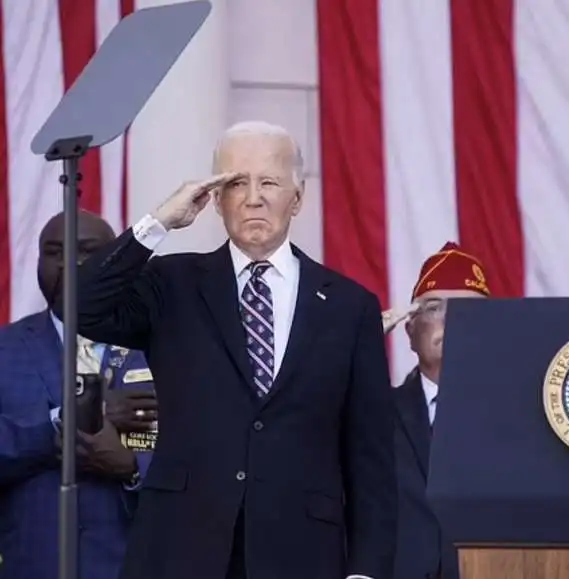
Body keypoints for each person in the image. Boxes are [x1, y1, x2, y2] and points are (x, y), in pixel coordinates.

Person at [56, 121, 396, 579]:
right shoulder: (172, 284)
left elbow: (370, 457)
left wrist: (366, 571)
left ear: (297, 198)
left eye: (269, 182)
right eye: (236, 183)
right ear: (215, 199)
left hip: (301, 554)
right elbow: (79, 305)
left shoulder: (350, 307)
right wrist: (158, 223)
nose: (253, 197)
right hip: (181, 549)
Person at [0, 210, 157, 579]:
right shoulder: (5, 350)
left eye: (88, 250)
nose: (70, 263)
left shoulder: (164, 346)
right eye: (55, 251)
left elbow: (201, 457)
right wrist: (65, 422)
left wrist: (132, 468)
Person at [389, 241, 491, 579]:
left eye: (469, 311)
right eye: (435, 307)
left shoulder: (520, 416)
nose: (453, 320)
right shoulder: (372, 411)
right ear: (410, 331)